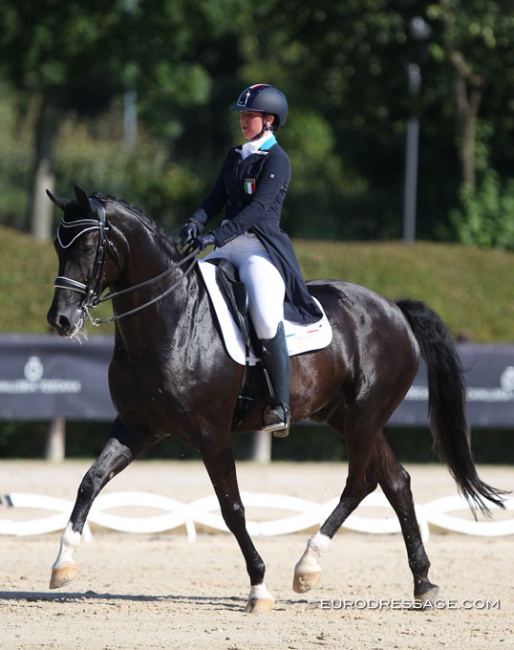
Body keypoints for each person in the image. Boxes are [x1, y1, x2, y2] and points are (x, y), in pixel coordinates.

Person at [179, 83, 322, 437]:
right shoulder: (235, 155)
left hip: (261, 250)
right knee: (189, 292)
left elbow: (258, 212)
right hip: (227, 245)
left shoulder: (278, 161)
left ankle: (279, 405)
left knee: (263, 313)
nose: (243, 121)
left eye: (250, 115)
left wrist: (215, 237)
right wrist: (196, 221)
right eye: (242, 115)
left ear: (269, 120)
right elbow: (215, 199)